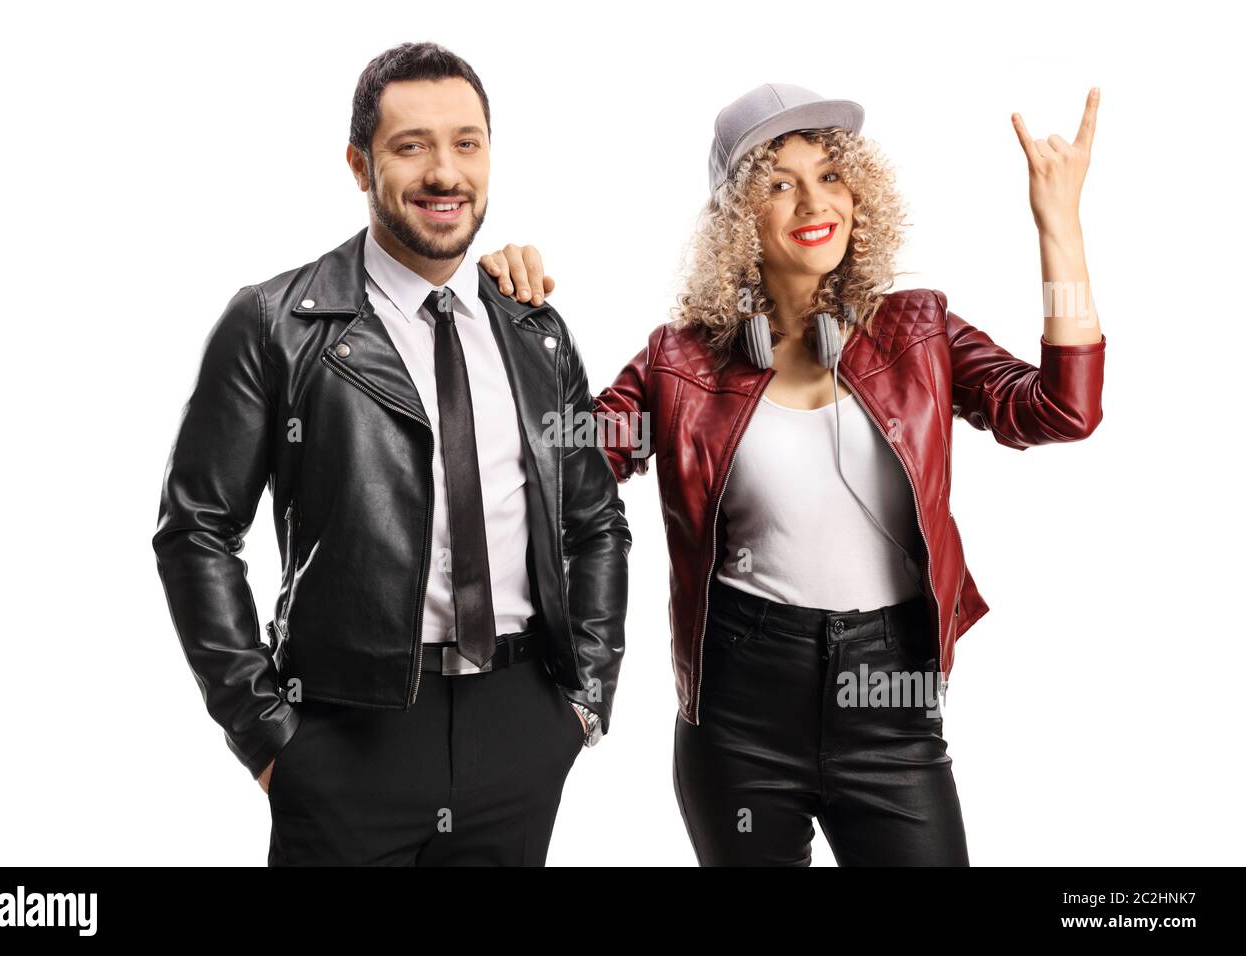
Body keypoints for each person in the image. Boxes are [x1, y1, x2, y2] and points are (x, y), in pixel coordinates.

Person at [480, 83, 1105, 865]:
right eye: (780, 183)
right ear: (739, 217)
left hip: (891, 698)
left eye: (830, 175)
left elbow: (1058, 411)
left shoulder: (919, 328)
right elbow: (556, 470)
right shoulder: (678, 361)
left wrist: (1060, 228)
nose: (816, 200)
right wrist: (513, 325)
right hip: (739, 711)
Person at [151, 41, 630, 866]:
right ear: (359, 164)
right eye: (412, 146)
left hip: (519, 727)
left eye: (467, 143)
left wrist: (583, 700)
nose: (445, 172)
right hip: (344, 732)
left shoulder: (535, 333)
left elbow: (595, 523)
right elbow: (195, 530)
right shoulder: (277, 323)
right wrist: (269, 736)